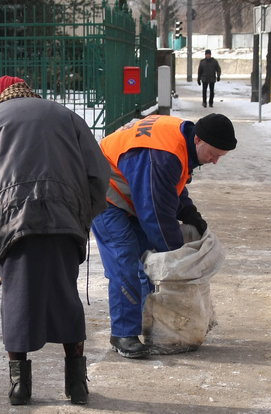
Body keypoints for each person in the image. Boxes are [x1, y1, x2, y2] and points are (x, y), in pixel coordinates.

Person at [0, 76, 110, 405]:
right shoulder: (66, 116)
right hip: (65, 218)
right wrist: (82, 216)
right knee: (65, 296)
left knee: (17, 301)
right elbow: (99, 173)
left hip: (9, 222)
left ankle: (20, 387)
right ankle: (76, 384)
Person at [91, 113, 236, 359]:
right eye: (213, 154)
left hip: (130, 192)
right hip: (105, 194)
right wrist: (176, 255)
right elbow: (155, 213)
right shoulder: (161, 154)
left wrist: (189, 212)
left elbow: (167, 187)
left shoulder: (181, 141)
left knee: (147, 260)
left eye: (220, 157)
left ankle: (150, 325)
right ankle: (123, 333)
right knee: (125, 260)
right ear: (198, 140)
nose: (214, 162)